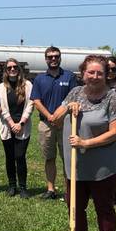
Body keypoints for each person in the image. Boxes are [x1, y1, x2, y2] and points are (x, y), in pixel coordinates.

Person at [52, 55, 116, 231]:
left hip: (103, 166)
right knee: (75, 206)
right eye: (90, 72)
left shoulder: (112, 98)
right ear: (83, 73)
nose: (94, 76)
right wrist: (67, 107)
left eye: (99, 73)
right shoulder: (75, 92)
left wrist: (86, 142)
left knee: (104, 208)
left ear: (106, 75)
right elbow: (55, 119)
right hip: (76, 165)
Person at [30, 46, 78, 199]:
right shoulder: (39, 79)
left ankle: (69, 190)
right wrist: (50, 117)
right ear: (46, 59)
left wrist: (59, 116)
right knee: (49, 158)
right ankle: (51, 189)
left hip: (66, 124)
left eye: (56, 56)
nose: (53, 59)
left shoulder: (69, 77)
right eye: (50, 57)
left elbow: (73, 98)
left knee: (67, 158)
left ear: (60, 58)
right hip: (46, 124)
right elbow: (36, 101)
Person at [0, 58, 34, 198]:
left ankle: (23, 187)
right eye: (9, 68)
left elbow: (31, 105)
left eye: (15, 67)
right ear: (6, 71)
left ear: (19, 69)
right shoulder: (0, 87)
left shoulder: (28, 85)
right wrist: (12, 124)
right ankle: (12, 186)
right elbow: (2, 107)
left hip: (23, 127)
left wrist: (21, 123)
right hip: (7, 126)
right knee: (9, 157)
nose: (12, 69)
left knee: (20, 156)